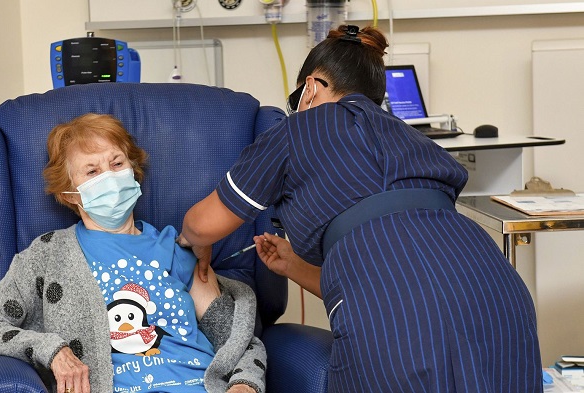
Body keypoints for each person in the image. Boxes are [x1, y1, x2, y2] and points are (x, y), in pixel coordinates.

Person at [178, 25, 542, 392]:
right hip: (497, 294)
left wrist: (197, 243)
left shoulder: (300, 128)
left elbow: (202, 224)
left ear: (310, 88)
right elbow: (407, 269)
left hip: (397, 317)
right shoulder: (412, 136)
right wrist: (293, 265)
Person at [0, 113, 266, 393]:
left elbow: (236, 338)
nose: (109, 176)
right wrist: (52, 350)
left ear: (134, 171)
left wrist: (245, 383)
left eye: (117, 164)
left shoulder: (177, 248)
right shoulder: (47, 255)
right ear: (69, 193)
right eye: (92, 171)